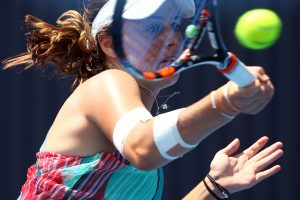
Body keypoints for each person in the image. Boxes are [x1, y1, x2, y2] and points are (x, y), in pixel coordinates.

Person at [2, 0, 282, 199]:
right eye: (152, 29)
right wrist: (224, 102)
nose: (173, 38)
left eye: (175, 26)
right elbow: (143, 148)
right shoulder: (107, 83)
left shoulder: (145, 162)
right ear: (109, 43)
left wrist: (213, 187)